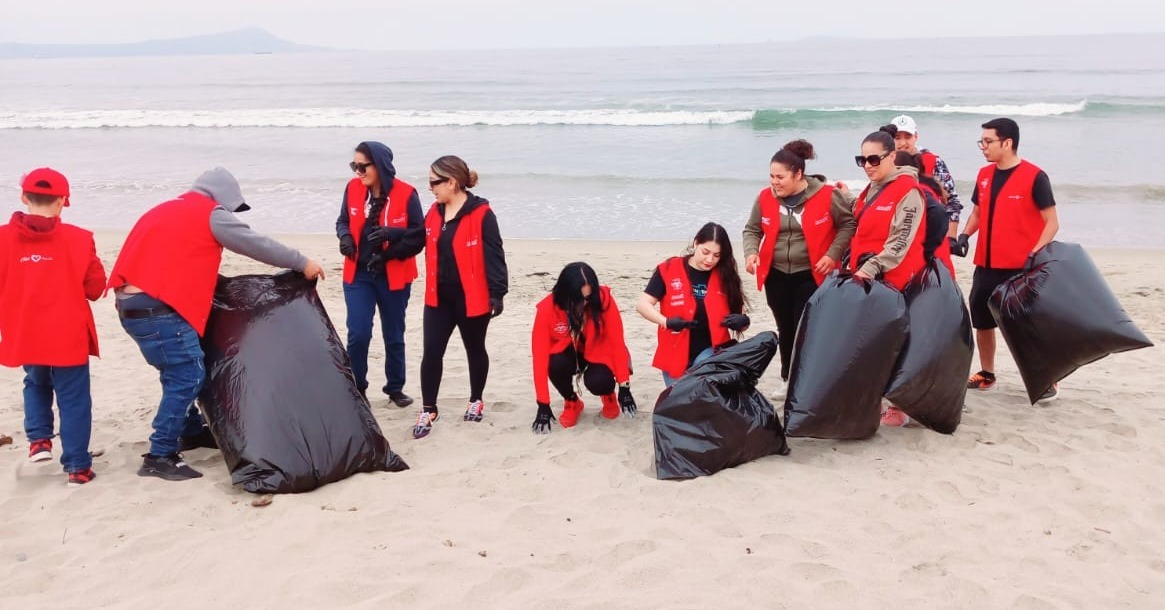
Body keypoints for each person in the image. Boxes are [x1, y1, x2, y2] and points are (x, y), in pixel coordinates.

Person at [107, 167, 325, 481]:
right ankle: (160, 454)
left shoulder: (165, 210)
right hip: (158, 309)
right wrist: (301, 262)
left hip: (132, 306)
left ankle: (191, 431)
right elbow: (254, 243)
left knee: (177, 370)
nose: (228, 213)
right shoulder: (209, 214)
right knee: (187, 375)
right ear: (221, 197)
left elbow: (169, 257)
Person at [1, 168, 106, 486]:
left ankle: (39, 440)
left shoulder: (2, 238)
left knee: (35, 381)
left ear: (23, 197)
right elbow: (95, 288)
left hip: (25, 331)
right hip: (66, 334)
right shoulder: (80, 238)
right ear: (63, 201)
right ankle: (77, 466)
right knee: (73, 398)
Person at [954, 118, 1060, 401]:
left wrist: (1034, 252)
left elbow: (1052, 222)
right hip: (986, 264)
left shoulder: (1035, 176)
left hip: (1020, 267)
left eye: (988, 141)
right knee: (983, 320)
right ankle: (987, 373)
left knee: (1024, 326)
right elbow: (978, 213)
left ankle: (1045, 377)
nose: (983, 147)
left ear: (1007, 142)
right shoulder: (984, 174)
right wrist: (964, 235)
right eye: (982, 141)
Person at [742, 139, 856, 396]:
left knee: (807, 328)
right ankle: (788, 379)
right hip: (776, 274)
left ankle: (812, 380)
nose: (774, 182)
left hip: (812, 274)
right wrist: (751, 253)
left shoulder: (827, 195)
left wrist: (832, 254)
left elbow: (848, 225)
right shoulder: (764, 197)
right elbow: (751, 229)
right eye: (771, 176)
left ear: (798, 174)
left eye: (780, 177)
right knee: (786, 327)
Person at [414, 155, 508, 439]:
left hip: (471, 298)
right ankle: (429, 408)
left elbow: (495, 254)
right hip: (438, 298)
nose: (430, 187)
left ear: (452, 182)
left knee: (475, 349)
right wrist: (387, 243)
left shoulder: (481, 214)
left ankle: (476, 400)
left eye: (434, 182)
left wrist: (497, 292)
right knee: (432, 351)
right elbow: (416, 240)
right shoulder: (433, 212)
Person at [336, 141, 424, 407]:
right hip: (359, 275)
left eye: (363, 166)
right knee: (359, 333)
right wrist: (345, 238)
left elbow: (418, 237)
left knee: (394, 335)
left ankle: (395, 388)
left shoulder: (407, 194)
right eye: (355, 165)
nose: (358, 172)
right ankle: (358, 387)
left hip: (393, 275)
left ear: (380, 165)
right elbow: (342, 221)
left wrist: (390, 241)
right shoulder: (352, 189)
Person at [637, 222, 750, 386]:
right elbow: (643, 305)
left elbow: (740, 320)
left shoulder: (726, 275)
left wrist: (743, 321)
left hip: (710, 351)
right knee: (678, 401)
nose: (710, 259)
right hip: (674, 350)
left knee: (701, 395)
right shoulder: (669, 269)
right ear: (696, 243)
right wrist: (666, 322)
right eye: (706, 252)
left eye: (717, 255)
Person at [530, 262, 638, 433]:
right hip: (570, 351)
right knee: (554, 363)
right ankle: (572, 401)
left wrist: (624, 387)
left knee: (599, 381)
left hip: (600, 350)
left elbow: (617, 342)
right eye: (579, 298)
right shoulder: (547, 309)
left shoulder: (604, 299)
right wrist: (543, 403)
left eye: (588, 297)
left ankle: (608, 395)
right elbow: (539, 357)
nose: (584, 303)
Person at [848, 130, 927, 292]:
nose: (867, 166)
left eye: (874, 159)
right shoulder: (874, 186)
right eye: (862, 160)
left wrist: (870, 269)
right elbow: (866, 215)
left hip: (893, 282)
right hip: (867, 277)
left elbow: (901, 240)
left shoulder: (908, 190)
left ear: (892, 156)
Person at [889, 115, 964, 240]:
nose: (902, 143)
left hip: (929, 232)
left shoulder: (933, 161)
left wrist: (951, 237)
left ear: (916, 137)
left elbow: (952, 201)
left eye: (908, 137)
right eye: (897, 138)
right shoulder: (884, 162)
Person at [893, 149, 956, 278]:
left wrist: (926, 250)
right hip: (939, 260)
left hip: (933, 262)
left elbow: (939, 214)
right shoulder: (925, 186)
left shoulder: (917, 190)